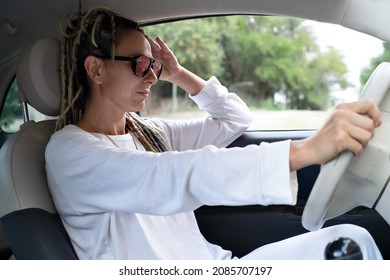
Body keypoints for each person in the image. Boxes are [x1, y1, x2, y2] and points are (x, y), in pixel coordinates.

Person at [45, 6, 383, 260]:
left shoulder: (149, 132)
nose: (151, 76)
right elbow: (174, 175)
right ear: (95, 69)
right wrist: (307, 150)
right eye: (139, 64)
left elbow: (234, 119)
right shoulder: (70, 152)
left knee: (352, 241)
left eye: (154, 66)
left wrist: (177, 74)